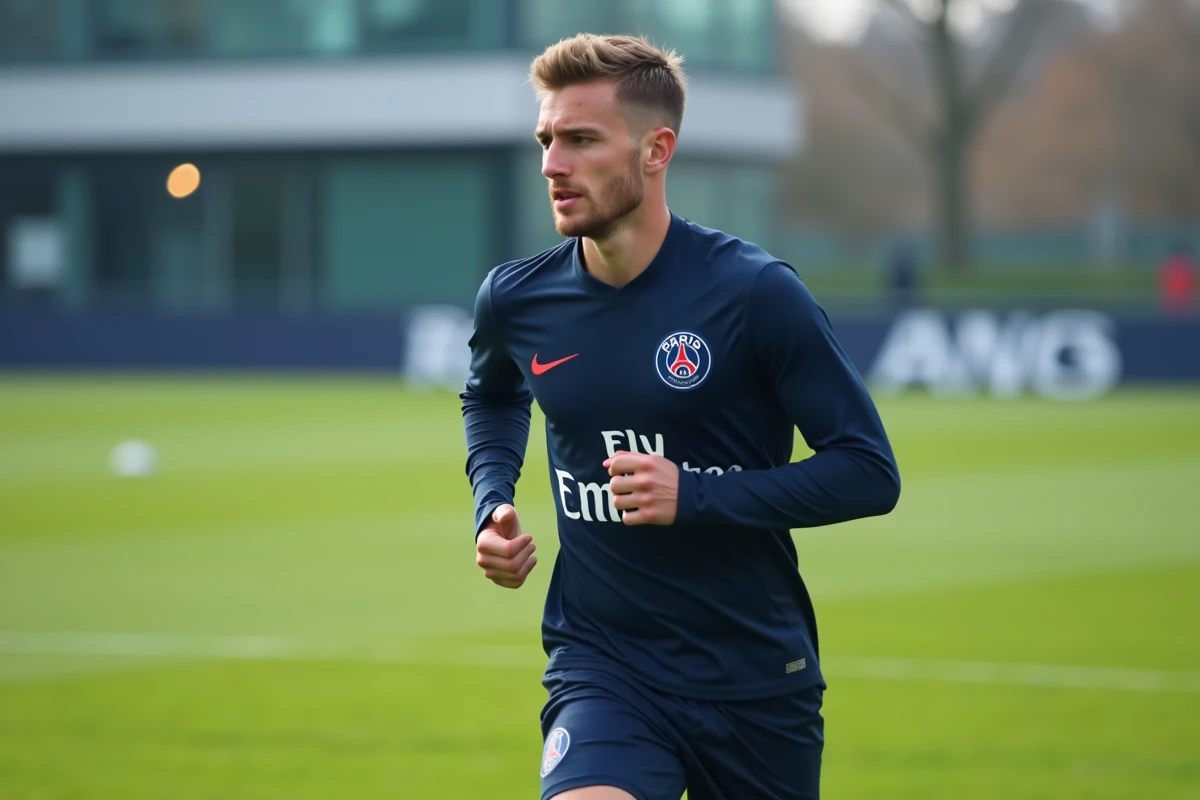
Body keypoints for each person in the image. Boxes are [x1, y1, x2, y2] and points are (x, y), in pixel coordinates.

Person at [460, 33, 901, 800]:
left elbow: (868, 471)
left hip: (756, 677)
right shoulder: (516, 298)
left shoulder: (757, 294)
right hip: (603, 665)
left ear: (656, 149)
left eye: (580, 140)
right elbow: (493, 395)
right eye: (545, 139)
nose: (551, 165)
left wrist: (692, 496)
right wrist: (491, 499)